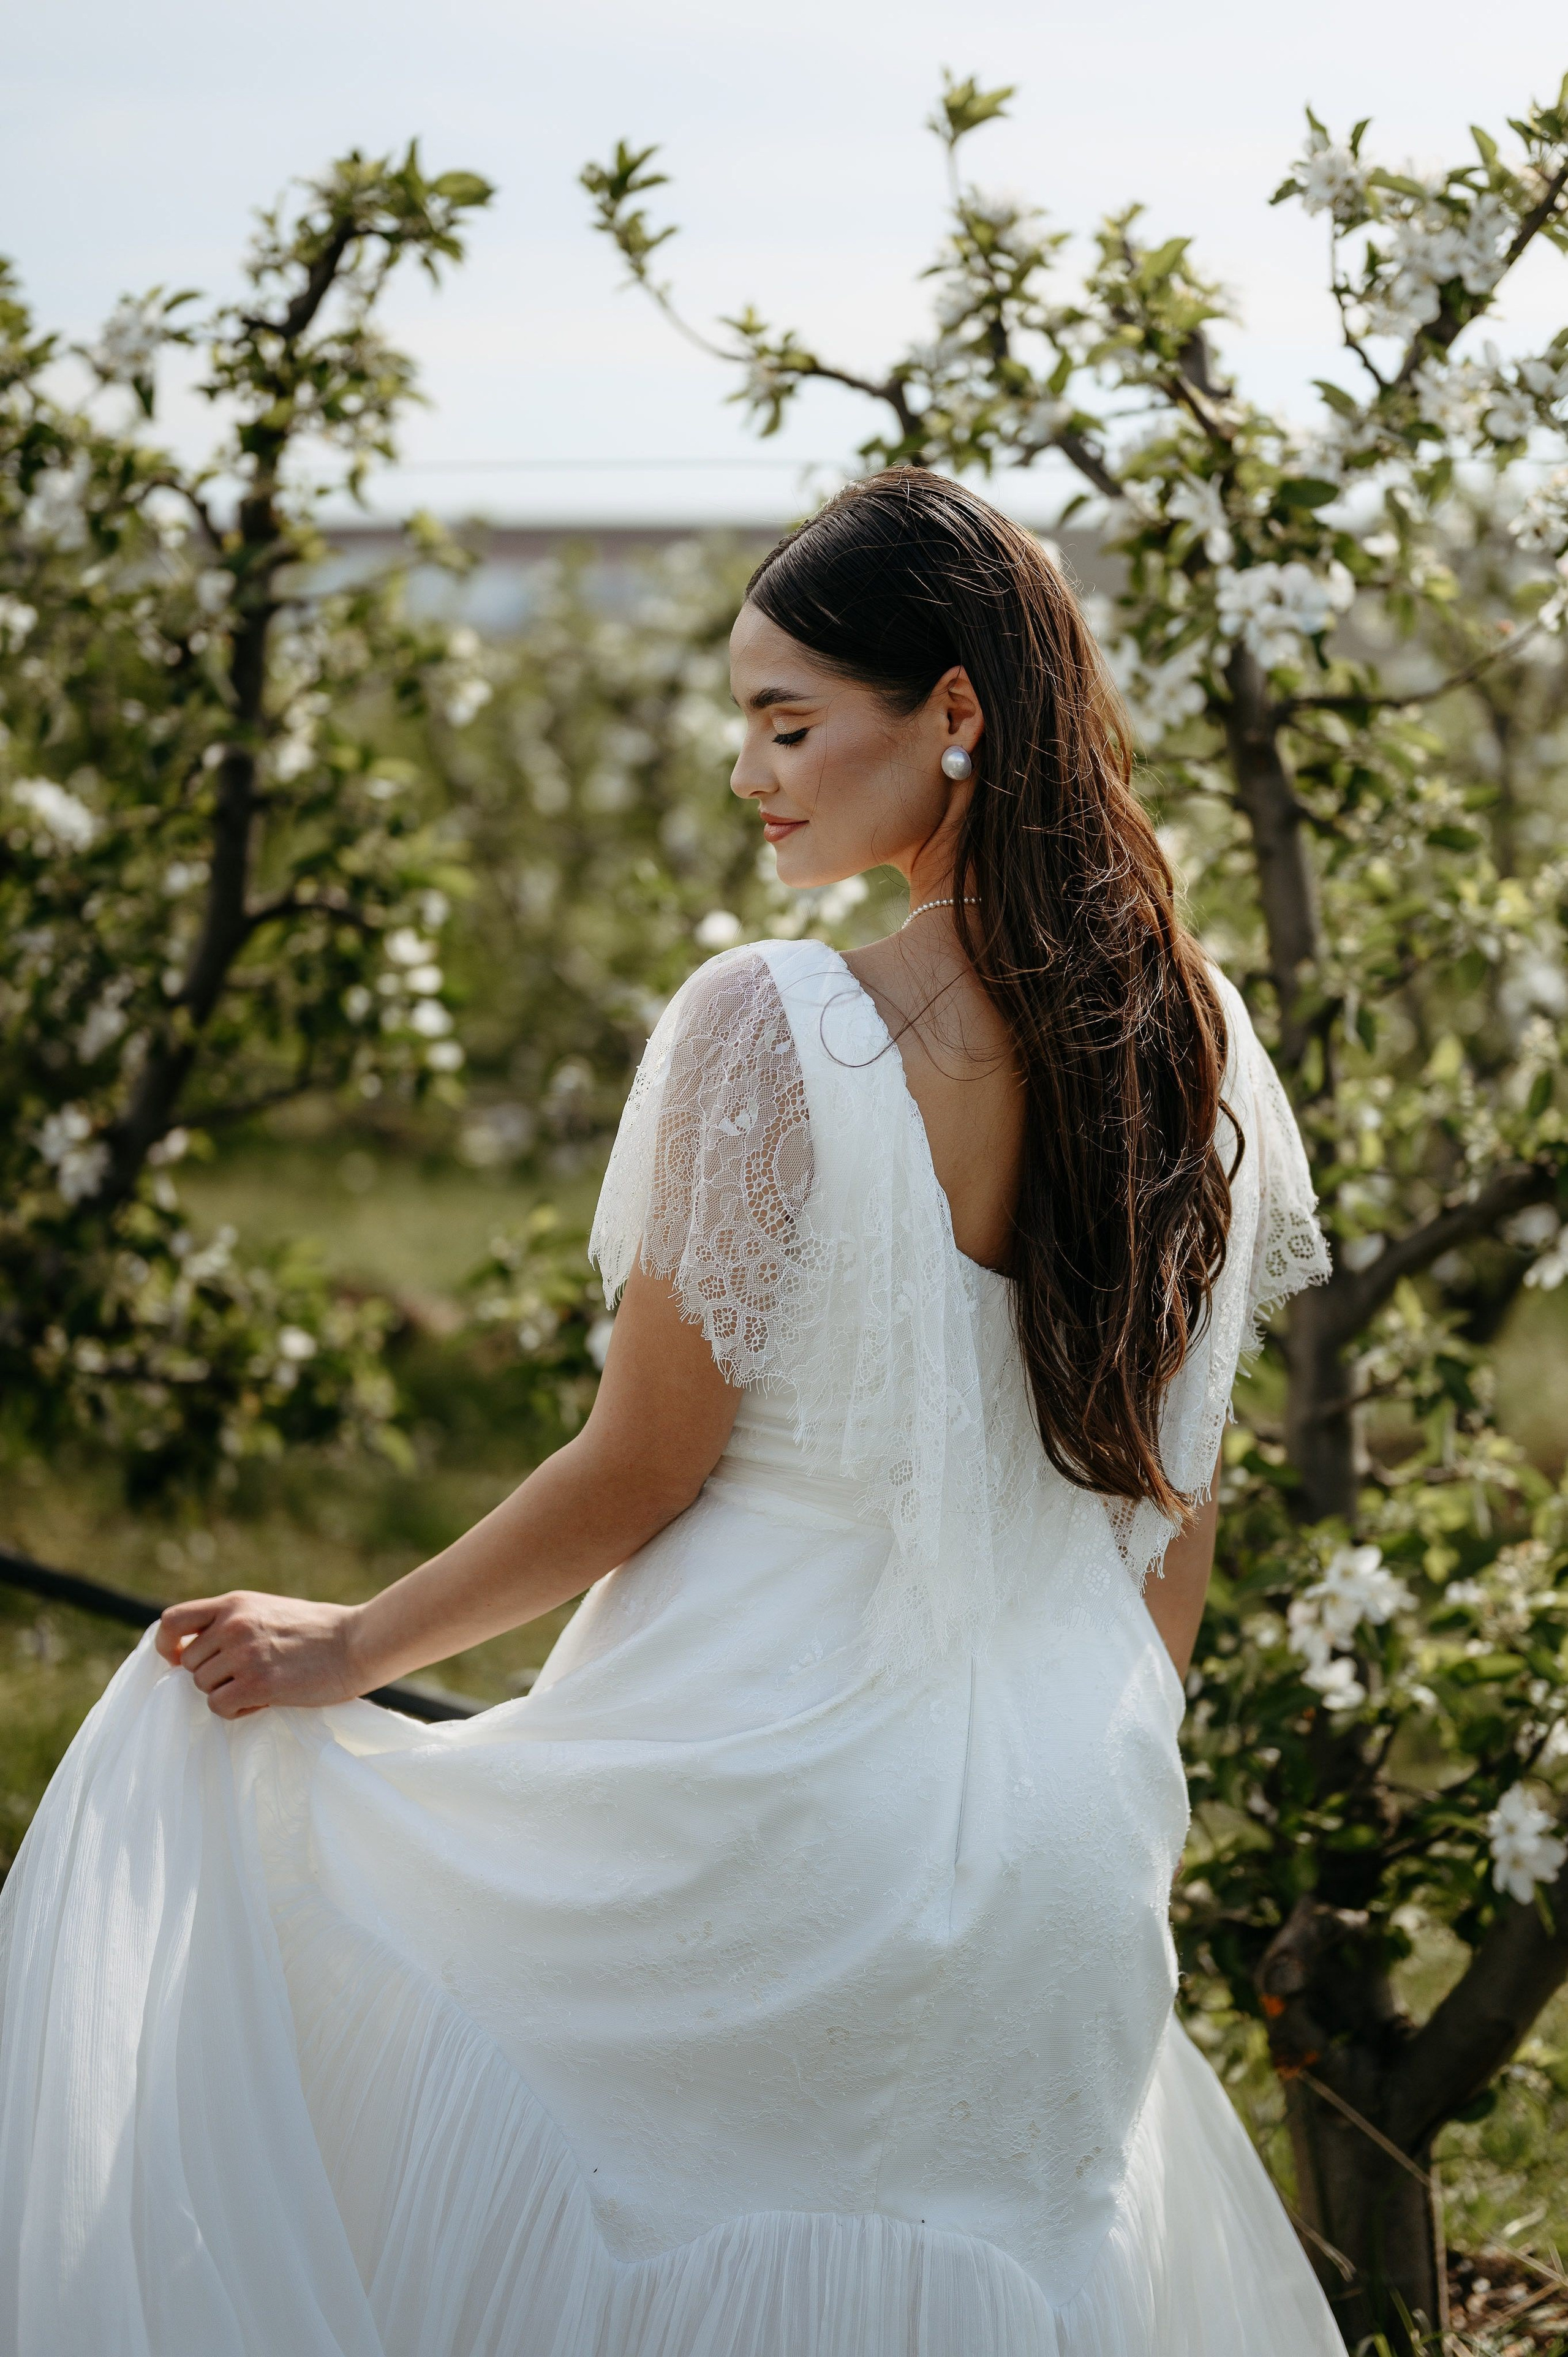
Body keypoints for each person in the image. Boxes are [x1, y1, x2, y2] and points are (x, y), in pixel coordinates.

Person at [0, 469, 1343, 2356]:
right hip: (1067, 1835)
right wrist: (1093, 1780)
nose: (747, 774)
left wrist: (353, 1646)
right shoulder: (1196, 1043)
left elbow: (641, 1463)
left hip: (755, 1804)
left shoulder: (778, 1024)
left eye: (788, 724)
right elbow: (1176, 1514)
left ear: (957, 710)